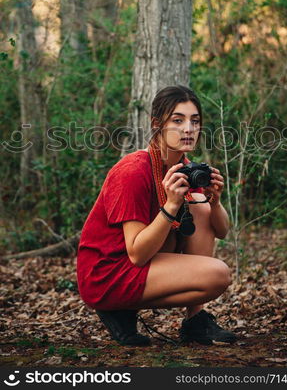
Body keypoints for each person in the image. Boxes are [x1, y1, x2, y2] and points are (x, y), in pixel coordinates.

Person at [77, 85, 236, 346]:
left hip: (144, 261)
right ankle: (117, 307)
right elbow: (137, 253)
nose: (188, 129)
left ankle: (195, 321)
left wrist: (215, 201)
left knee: (198, 203)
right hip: (108, 272)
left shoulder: (185, 169)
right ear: (156, 124)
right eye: (177, 120)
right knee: (218, 274)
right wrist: (171, 205)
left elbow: (221, 231)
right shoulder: (133, 171)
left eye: (194, 121)